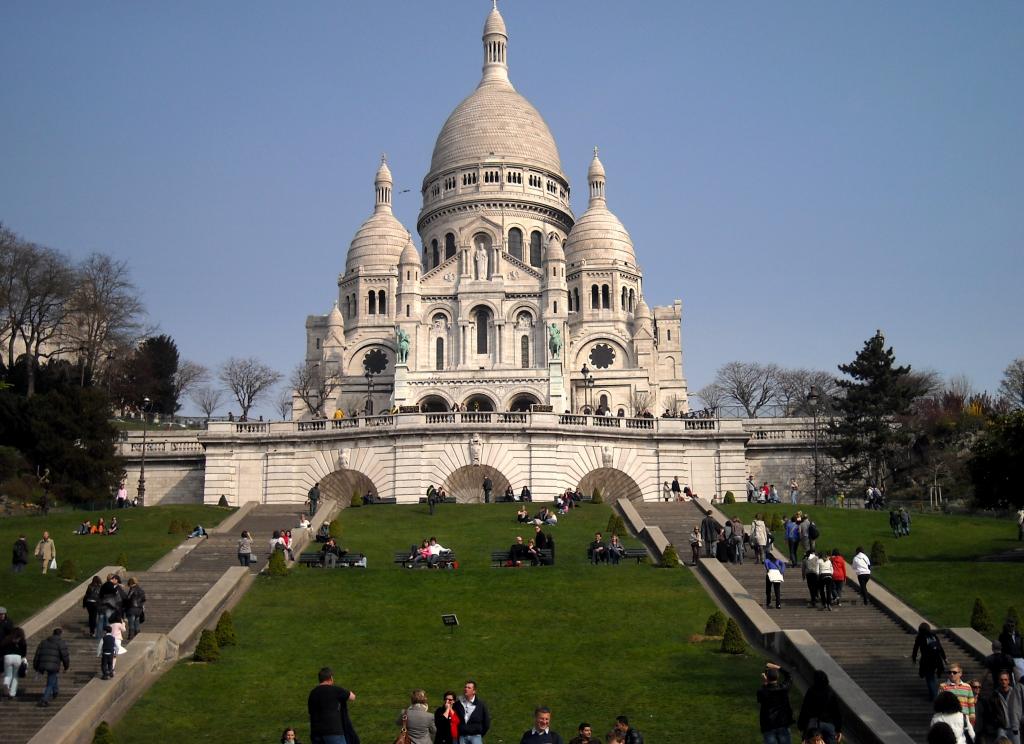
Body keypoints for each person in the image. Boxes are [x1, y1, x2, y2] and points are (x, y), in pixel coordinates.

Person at [307, 666, 359, 744]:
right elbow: (352, 697)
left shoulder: (313, 693)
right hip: (333, 732)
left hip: (316, 733)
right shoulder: (335, 690)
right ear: (331, 678)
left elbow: (310, 711)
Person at [977, 671, 1024, 744]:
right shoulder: (994, 695)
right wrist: (996, 722)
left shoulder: (1015, 692)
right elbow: (991, 712)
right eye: (1001, 680)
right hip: (1001, 727)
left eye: (1005, 680)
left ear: (1009, 681)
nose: (1003, 682)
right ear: (999, 681)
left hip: (1015, 727)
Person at [797, 670, 843, 744]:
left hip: (814, 722)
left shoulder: (811, 691)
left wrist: (801, 725)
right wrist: (838, 729)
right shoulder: (830, 692)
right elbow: (836, 712)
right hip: (829, 723)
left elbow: (805, 709)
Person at [33, 627, 70, 707]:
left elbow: (37, 654)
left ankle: (55, 691)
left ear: (53, 633)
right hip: (54, 665)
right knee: (50, 682)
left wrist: (36, 666)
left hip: (43, 664)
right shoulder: (61, 643)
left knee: (53, 677)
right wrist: (66, 667)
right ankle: (44, 700)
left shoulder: (43, 642)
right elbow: (65, 656)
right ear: (60, 634)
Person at [758, 663, 793, 744]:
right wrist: (776, 667)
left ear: (767, 678)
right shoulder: (784, 688)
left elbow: (761, 697)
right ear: (777, 677)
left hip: (768, 725)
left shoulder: (762, 691)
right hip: (782, 723)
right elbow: (789, 675)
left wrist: (766, 683)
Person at [913, 623, 949, 701]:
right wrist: (945, 658)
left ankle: (935, 696)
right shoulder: (933, 636)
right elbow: (940, 648)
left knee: (930, 678)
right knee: (932, 677)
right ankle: (933, 695)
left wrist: (914, 657)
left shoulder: (920, 637)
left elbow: (915, 648)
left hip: (927, 660)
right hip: (937, 660)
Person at [454, 679, 491, 744]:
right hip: (462, 737)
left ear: (474, 691)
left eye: (469, 688)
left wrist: (480, 734)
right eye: (465, 687)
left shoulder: (481, 705)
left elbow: (486, 722)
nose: (466, 689)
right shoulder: (458, 704)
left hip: (476, 737)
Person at [97, 573, 126, 640]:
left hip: (101, 606)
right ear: (113, 579)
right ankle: (107, 636)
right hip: (108, 606)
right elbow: (115, 593)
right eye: (116, 579)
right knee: (108, 622)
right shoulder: (110, 585)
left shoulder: (104, 585)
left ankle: (99, 636)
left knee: (100, 622)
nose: (117, 581)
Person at [1, 626, 27, 699]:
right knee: (15, 676)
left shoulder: (7, 639)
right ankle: (12, 693)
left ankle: (6, 685)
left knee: (8, 675)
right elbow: (24, 652)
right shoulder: (22, 640)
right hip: (17, 657)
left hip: (7, 656)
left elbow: (2, 648)